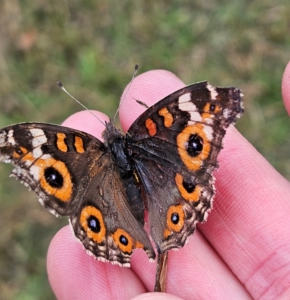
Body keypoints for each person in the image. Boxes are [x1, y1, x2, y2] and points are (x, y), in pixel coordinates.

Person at [47, 63, 290, 299]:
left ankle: (140, 233)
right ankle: (146, 231)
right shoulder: (151, 128)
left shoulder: (81, 149)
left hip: (135, 191)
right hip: (160, 180)